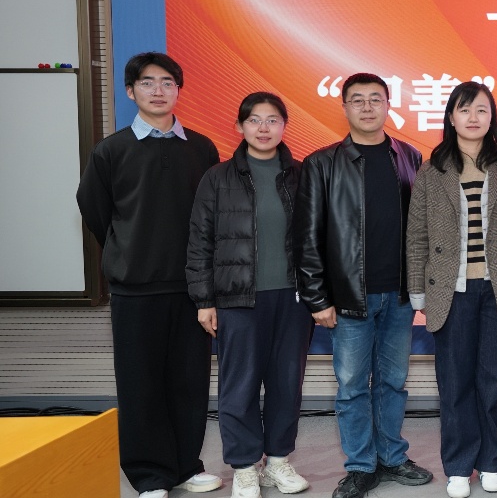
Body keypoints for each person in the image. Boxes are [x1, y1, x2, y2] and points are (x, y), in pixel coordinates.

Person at [76, 52, 222, 498]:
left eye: (167, 83)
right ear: (130, 91)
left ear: (179, 90)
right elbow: (96, 211)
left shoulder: (201, 148)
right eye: (147, 82)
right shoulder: (111, 150)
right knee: (140, 385)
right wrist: (128, 249)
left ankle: (186, 465)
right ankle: (149, 476)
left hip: (192, 289)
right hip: (135, 289)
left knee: (189, 382)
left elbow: (212, 217)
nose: (158, 91)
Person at [295, 73, 432, 498]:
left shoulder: (409, 157)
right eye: (358, 100)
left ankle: (391, 457)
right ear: (345, 108)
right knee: (352, 386)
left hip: (400, 294)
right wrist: (317, 297)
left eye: (376, 99)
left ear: (388, 105)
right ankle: (359, 466)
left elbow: (423, 229)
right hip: (349, 296)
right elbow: (307, 236)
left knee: (393, 382)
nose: (367, 107)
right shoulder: (322, 163)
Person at [405, 82, 497, 498]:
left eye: (481, 110)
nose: (473, 117)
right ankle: (459, 466)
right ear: (451, 117)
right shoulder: (432, 170)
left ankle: (490, 461)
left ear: (492, 117)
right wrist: (418, 292)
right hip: (451, 291)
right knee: (455, 382)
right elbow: (417, 237)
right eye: (464, 110)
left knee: (492, 381)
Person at [186, 92, 312, 498]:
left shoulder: (302, 175)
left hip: (292, 299)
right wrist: (204, 300)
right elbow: (200, 241)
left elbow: (317, 239)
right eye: (254, 120)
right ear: (239, 127)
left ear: (284, 126)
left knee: (286, 383)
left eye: (272, 120)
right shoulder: (217, 178)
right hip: (237, 300)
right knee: (239, 386)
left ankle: (277, 462)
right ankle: (243, 466)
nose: (263, 128)